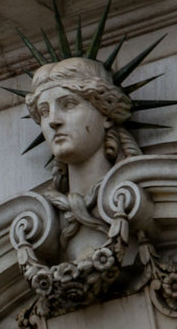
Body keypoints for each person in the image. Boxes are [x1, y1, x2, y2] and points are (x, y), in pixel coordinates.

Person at [25, 56, 141, 259]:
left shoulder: (128, 197)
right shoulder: (52, 215)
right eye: (44, 111)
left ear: (105, 113)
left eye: (68, 104)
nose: (53, 121)